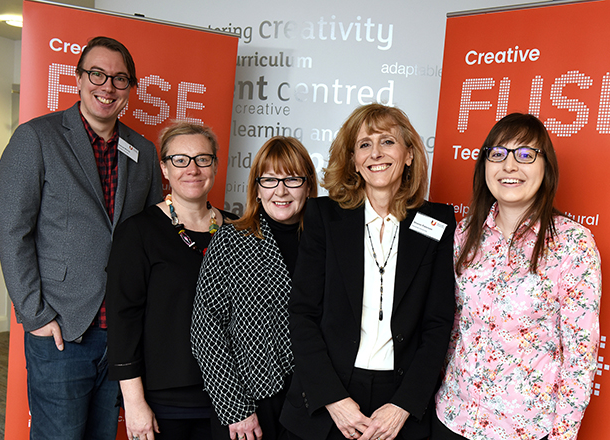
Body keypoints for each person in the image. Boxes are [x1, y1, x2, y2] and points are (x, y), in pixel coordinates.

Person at [0, 36, 162, 439]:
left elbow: (153, 233)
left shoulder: (142, 150)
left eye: (120, 79)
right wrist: (35, 316)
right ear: (79, 78)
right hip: (62, 331)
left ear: (130, 88)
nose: (108, 87)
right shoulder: (36, 137)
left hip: (120, 335)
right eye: (98, 74)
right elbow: (12, 230)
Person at [280, 104, 456, 440]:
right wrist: (333, 398)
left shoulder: (437, 222)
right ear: (353, 161)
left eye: (387, 142)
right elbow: (302, 314)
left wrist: (404, 404)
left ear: (408, 155)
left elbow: (438, 324)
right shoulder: (323, 217)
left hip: (399, 401)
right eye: (364, 145)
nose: (376, 153)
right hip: (327, 395)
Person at [432, 113, 602, 440]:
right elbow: (454, 325)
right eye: (497, 154)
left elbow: (579, 356)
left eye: (525, 154)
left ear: (546, 167)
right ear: (485, 167)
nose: (510, 166)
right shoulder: (465, 233)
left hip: (524, 429)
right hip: (454, 418)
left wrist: (562, 436)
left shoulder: (572, 244)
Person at [106, 121, 237, 440]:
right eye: (180, 160)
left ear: (215, 166)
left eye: (202, 159)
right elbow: (123, 322)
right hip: (164, 400)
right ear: (164, 168)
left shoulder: (237, 229)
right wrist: (134, 403)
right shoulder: (138, 232)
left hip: (230, 400)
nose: (192, 169)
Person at [191, 136, 318, 440]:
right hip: (249, 403)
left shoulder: (326, 242)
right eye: (270, 180)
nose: (281, 190)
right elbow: (206, 330)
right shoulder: (230, 240)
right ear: (257, 188)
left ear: (309, 185)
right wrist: (236, 409)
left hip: (312, 401)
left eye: (292, 179)